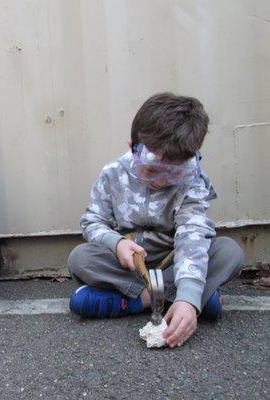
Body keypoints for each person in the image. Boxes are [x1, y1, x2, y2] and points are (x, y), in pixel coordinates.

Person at [67, 93, 244, 348]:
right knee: (80, 258)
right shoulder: (113, 174)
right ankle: (171, 298)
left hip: (174, 259)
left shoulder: (193, 182)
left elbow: (192, 235)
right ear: (132, 146)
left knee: (229, 252)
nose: (160, 181)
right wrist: (116, 244)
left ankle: (146, 301)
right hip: (128, 264)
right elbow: (92, 222)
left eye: (173, 173)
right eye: (150, 170)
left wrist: (189, 296)